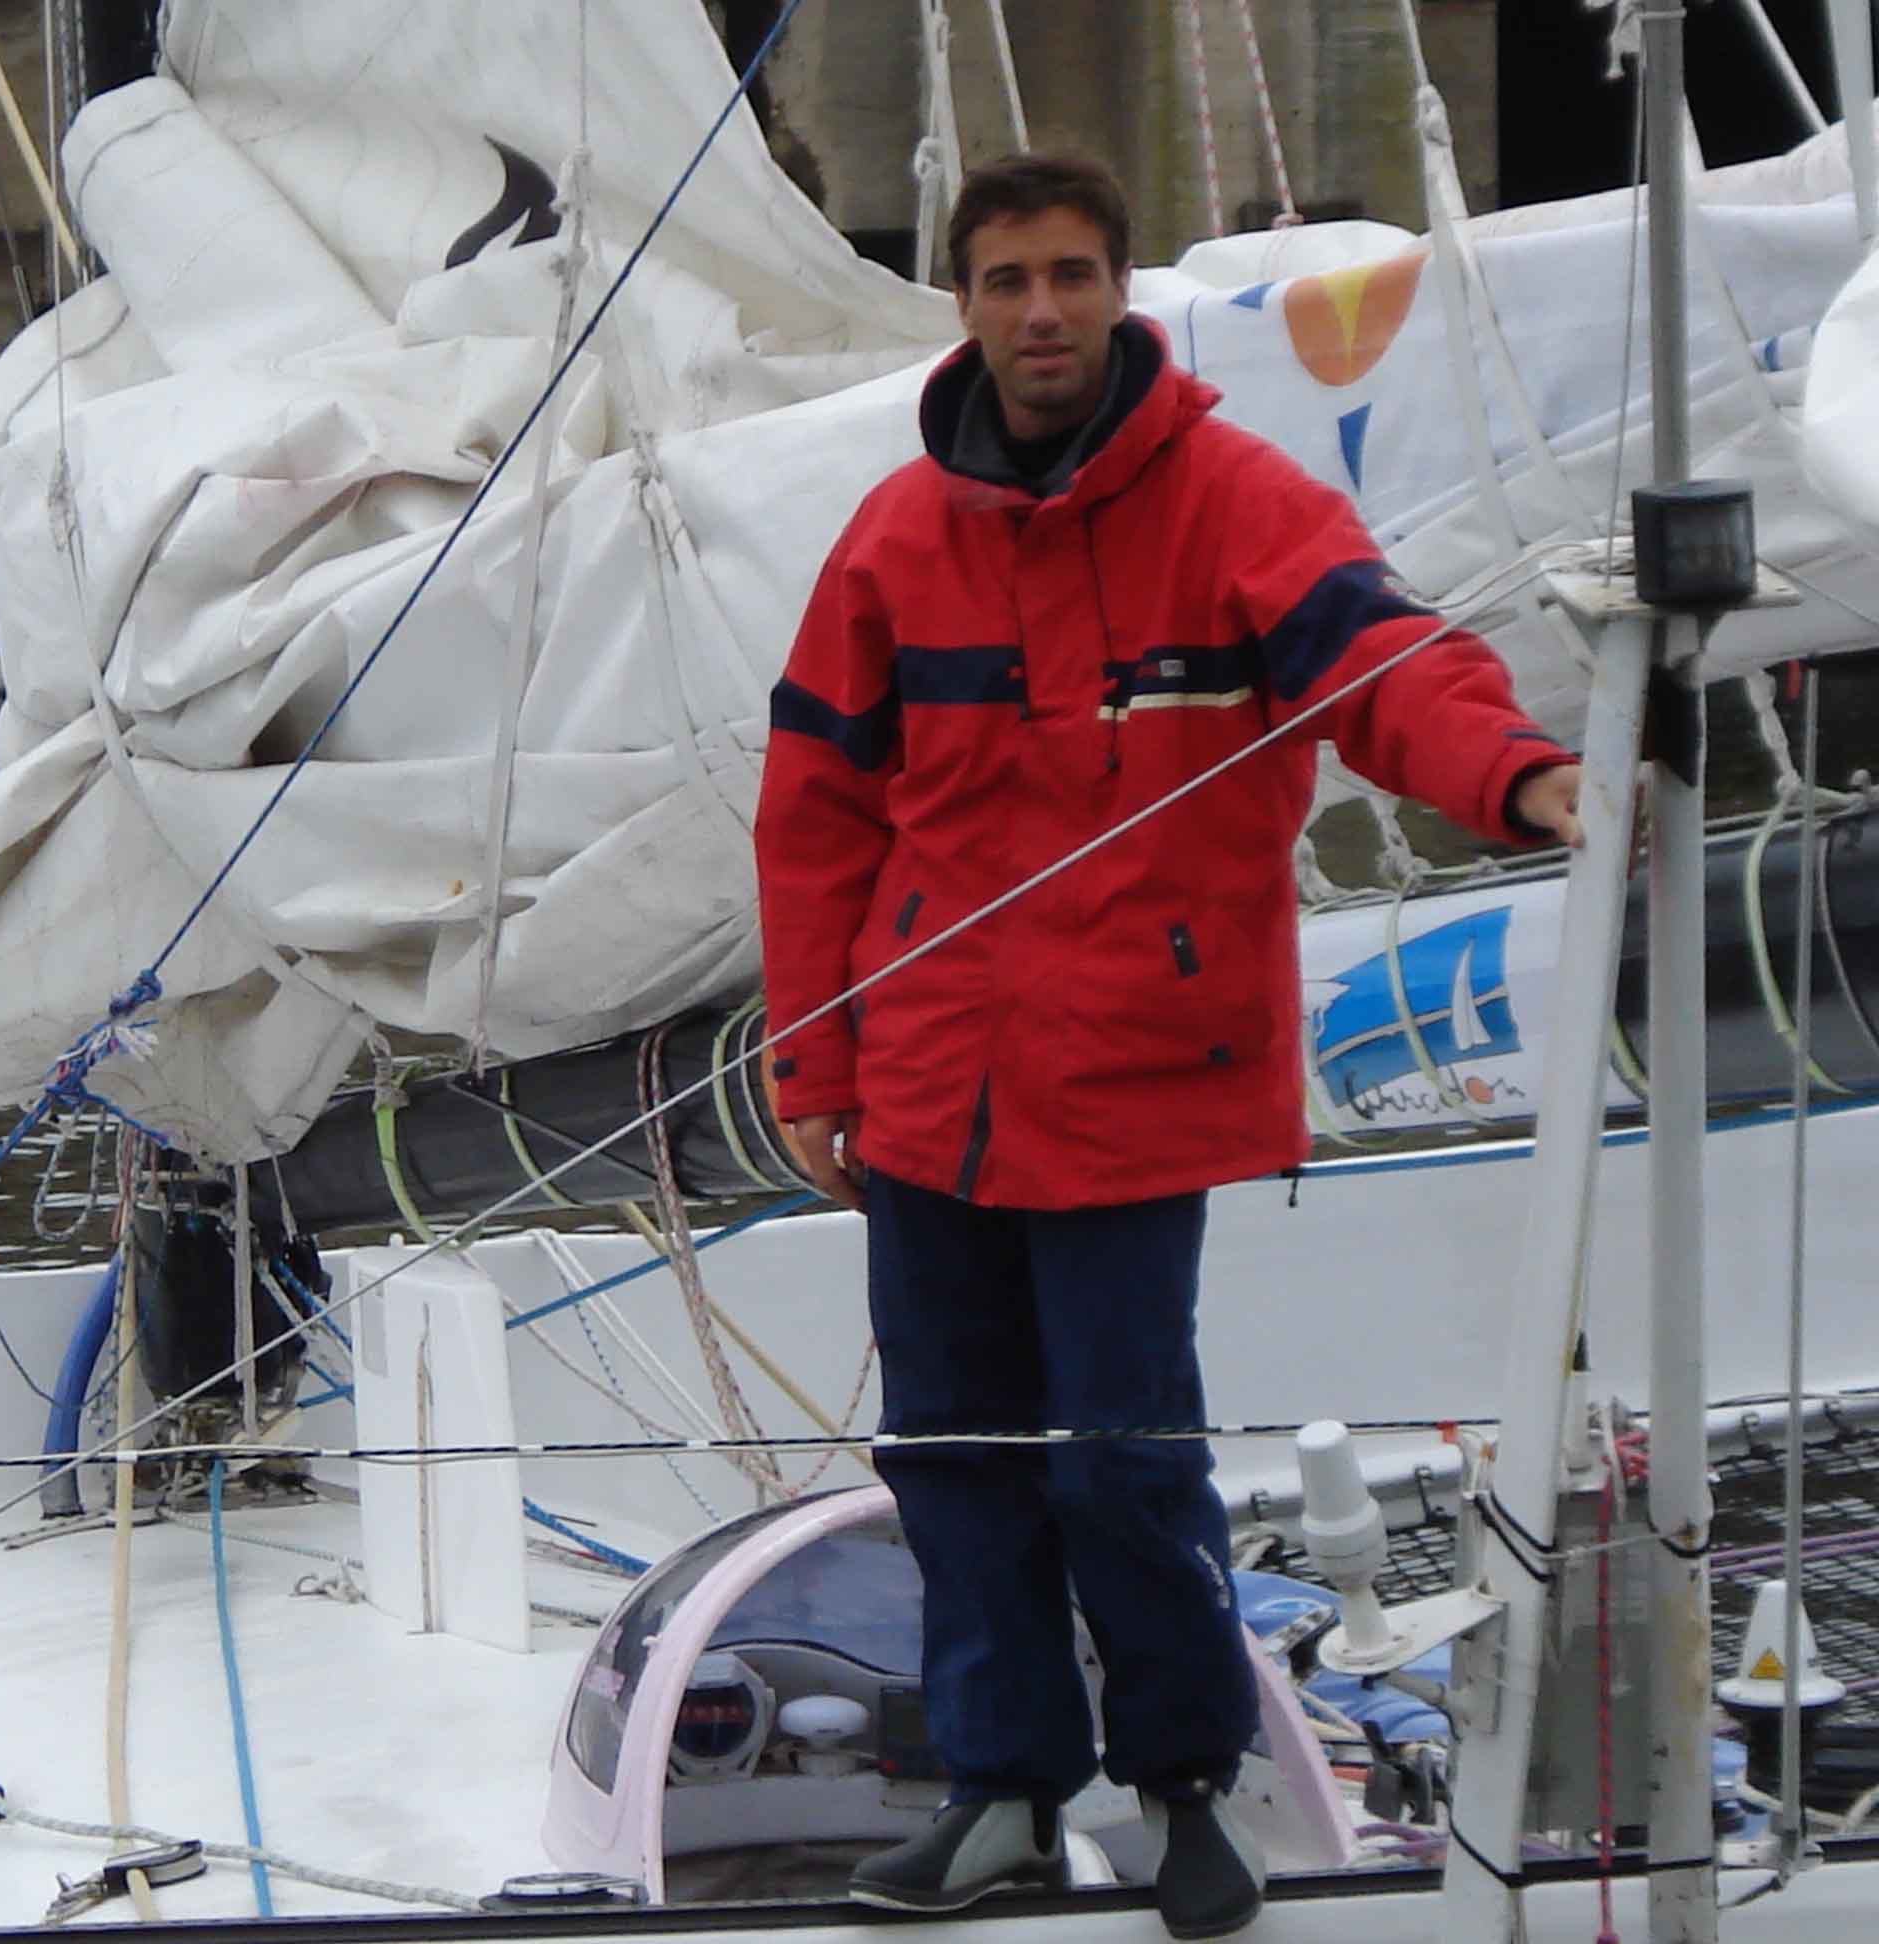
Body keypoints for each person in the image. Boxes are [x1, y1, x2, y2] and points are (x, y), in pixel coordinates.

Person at [753, 154, 1581, 1940]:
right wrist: (812, 1057)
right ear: (961, 303)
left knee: (1125, 1460)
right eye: (1003, 280)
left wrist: (1525, 774)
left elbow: (1384, 666)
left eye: (1069, 274)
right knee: (954, 1453)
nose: (1040, 311)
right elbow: (815, 812)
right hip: (926, 1091)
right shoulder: (897, 539)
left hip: (1135, 1087)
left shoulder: (1237, 504)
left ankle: (1191, 1783)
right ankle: (998, 1792)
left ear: (1120, 290)